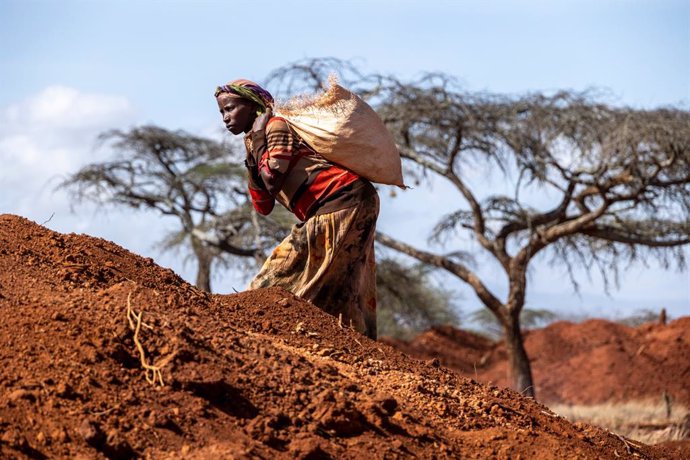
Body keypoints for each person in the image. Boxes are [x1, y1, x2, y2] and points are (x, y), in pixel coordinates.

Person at [215, 79, 379, 339]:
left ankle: (251, 327)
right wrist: (252, 157)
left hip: (342, 198)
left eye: (231, 108)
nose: (225, 118)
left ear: (253, 106)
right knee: (338, 285)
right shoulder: (256, 143)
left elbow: (273, 180)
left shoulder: (276, 127)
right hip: (351, 201)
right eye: (222, 111)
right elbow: (263, 205)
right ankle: (351, 342)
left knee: (275, 276)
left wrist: (258, 139)